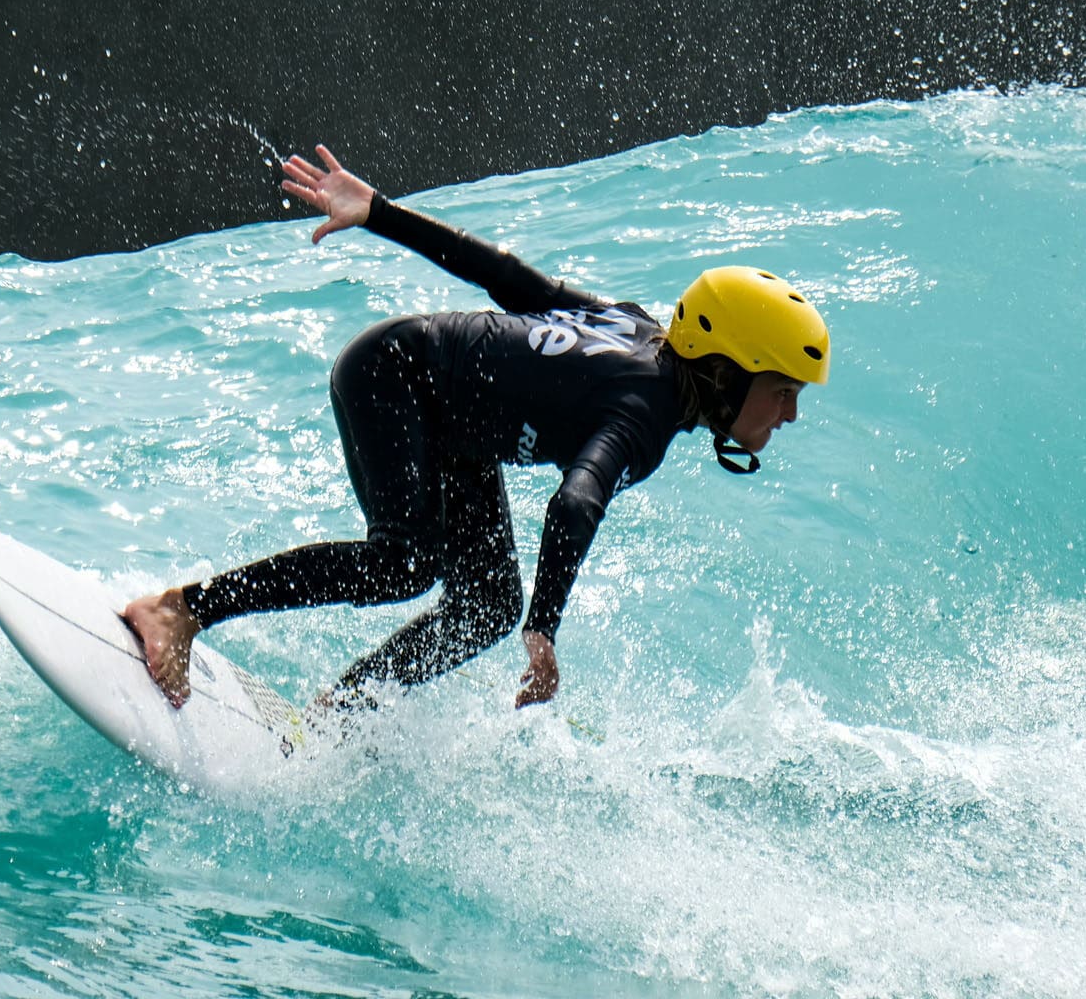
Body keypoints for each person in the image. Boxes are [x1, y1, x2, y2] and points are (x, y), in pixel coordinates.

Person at [121, 145, 830, 712]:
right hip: (395, 376)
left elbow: (512, 280)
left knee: (487, 603)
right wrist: (545, 626)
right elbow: (577, 502)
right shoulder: (643, 412)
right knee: (402, 563)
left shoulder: (640, 331)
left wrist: (378, 212)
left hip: (454, 425)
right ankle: (181, 609)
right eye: (781, 391)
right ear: (725, 371)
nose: (790, 414)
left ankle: (341, 711)